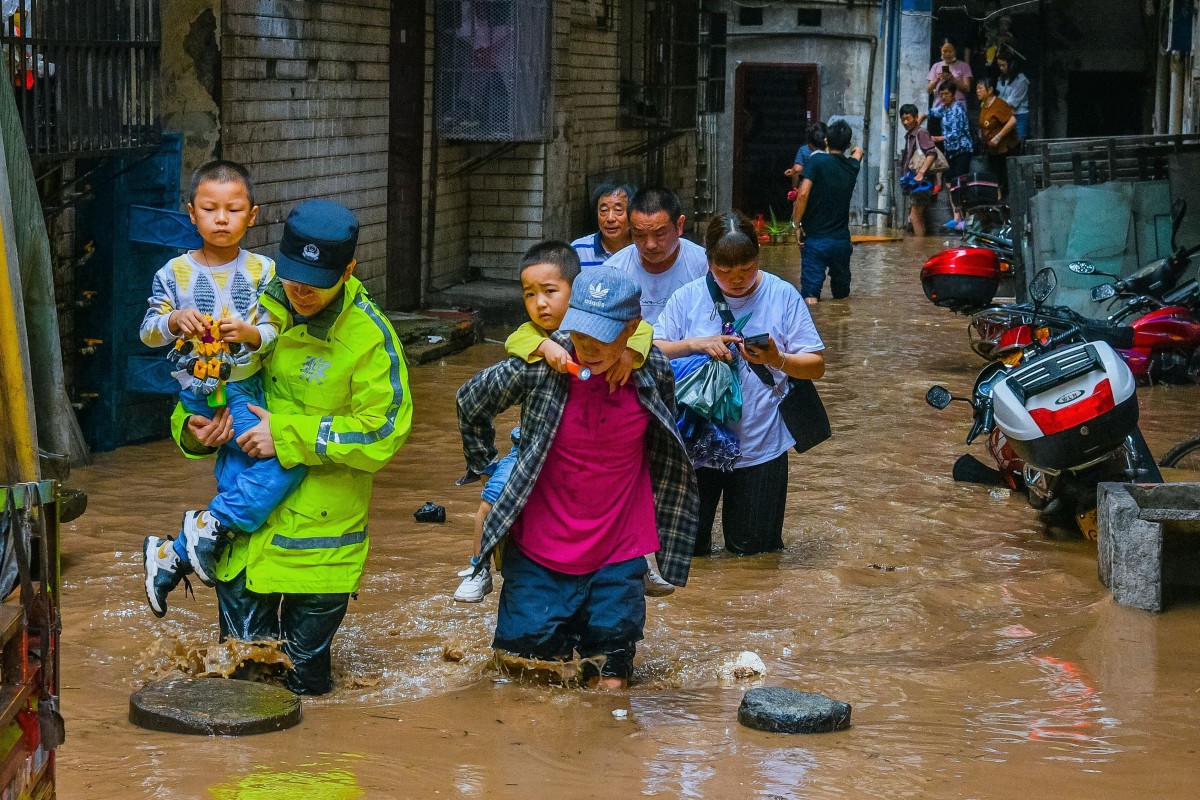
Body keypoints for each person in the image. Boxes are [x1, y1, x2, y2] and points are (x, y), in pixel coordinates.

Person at [177, 199, 412, 695]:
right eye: (292, 275)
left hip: (318, 553)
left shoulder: (370, 339)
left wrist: (286, 435)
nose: (301, 289)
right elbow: (204, 384)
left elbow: (383, 432)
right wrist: (194, 429)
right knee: (240, 683)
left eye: (317, 278)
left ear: (348, 270)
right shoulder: (252, 314)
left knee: (306, 688)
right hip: (243, 539)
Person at [456, 266, 700, 690]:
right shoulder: (542, 364)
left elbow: (665, 442)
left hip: (618, 548)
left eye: (602, 337)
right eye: (581, 333)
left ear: (631, 329)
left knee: (610, 682)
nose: (587, 348)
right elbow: (470, 401)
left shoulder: (651, 368)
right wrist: (489, 469)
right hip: (538, 551)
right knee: (525, 682)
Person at [452, 241, 672, 602]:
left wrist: (630, 354)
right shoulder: (532, 336)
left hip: (606, 460)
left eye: (550, 292)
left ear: (578, 292)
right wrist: (544, 347)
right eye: (529, 294)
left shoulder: (632, 340)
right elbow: (480, 389)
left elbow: (644, 331)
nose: (540, 303)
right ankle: (479, 566)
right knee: (491, 500)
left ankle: (639, 562)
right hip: (532, 447)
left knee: (636, 492)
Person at [139, 160, 304, 618]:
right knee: (282, 457)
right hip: (196, 388)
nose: (221, 219)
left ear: (252, 216)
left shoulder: (265, 272)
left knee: (271, 458)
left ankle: (181, 547)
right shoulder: (174, 272)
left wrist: (250, 335)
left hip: (244, 385)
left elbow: (276, 328)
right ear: (191, 213)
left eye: (233, 210)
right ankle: (200, 536)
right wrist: (173, 321)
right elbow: (148, 331)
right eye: (210, 209)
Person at [654, 213, 825, 556]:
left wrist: (778, 359)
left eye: (745, 269)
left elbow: (816, 366)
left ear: (758, 258)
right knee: (685, 556)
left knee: (756, 558)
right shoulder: (687, 298)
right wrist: (695, 344)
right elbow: (651, 351)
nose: (736, 279)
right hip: (694, 446)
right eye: (724, 271)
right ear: (709, 262)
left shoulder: (783, 295)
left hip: (761, 446)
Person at [603, 187, 708, 325]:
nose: (650, 245)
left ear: (680, 225)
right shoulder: (614, 270)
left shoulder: (704, 265)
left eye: (660, 234)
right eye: (639, 235)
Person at [790, 119, 862, 302]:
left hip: (815, 241)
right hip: (841, 243)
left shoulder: (817, 161)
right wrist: (848, 144)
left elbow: (803, 194)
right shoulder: (852, 166)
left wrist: (796, 224)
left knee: (811, 296)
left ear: (826, 141)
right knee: (841, 297)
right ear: (846, 144)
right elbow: (858, 151)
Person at [929, 82, 974, 229]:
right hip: (951, 151)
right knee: (950, 184)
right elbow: (933, 112)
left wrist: (938, 138)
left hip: (962, 150)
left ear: (953, 94)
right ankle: (956, 217)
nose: (943, 97)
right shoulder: (943, 108)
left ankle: (966, 218)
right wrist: (922, 116)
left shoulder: (958, 109)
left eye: (946, 94)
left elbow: (956, 134)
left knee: (961, 182)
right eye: (941, 94)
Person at [570, 181, 636, 269]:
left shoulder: (641, 249)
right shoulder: (578, 250)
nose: (610, 218)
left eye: (618, 210)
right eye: (604, 210)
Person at [899, 104, 940, 238]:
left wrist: (921, 172)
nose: (905, 122)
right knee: (916, 216)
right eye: (903, 119)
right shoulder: (911, 135)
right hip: (915, 182)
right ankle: (920, 249)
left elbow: (931, 153)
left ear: (916, 118)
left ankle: (918, 250)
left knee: (914, 217)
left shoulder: (921, 133)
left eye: (908, 119)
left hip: (922, 182)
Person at [977, 76, 1018, 195]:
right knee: (993, 175)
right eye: (976, 89)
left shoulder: (999, 104)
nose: (977, 91)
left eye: (980, 88)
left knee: (1003, 176)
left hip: (1004, 149)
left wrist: (998, 137)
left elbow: (1012, 120)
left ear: (989, 90)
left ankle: (1004, 199)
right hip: (991, 149)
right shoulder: (984, 105)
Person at [927, 38, 972, 105]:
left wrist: (952, 78)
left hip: (957, 107)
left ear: (955, 50)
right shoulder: (936, 66)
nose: (947, 54)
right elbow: (929, 90)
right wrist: (937, 79)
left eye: (950, 51)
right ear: (940, 49)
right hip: (939, 106)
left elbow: (967, 89)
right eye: (944, 51)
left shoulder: (964, 66)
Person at [996, 50, 1030, 141]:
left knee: (1017, 143)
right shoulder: (1001, 79)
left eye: (1003, 65)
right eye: (999, 65)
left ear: (1011, 65)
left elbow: (1010, 104)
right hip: (1003, 115)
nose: (1000, 68)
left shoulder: (1021, 81)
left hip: (1018, 116)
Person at [783, 121, 828, 188]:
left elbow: (797, 169)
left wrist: (795, 191)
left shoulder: (804, 150)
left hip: (806, 189)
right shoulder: (831, 152)